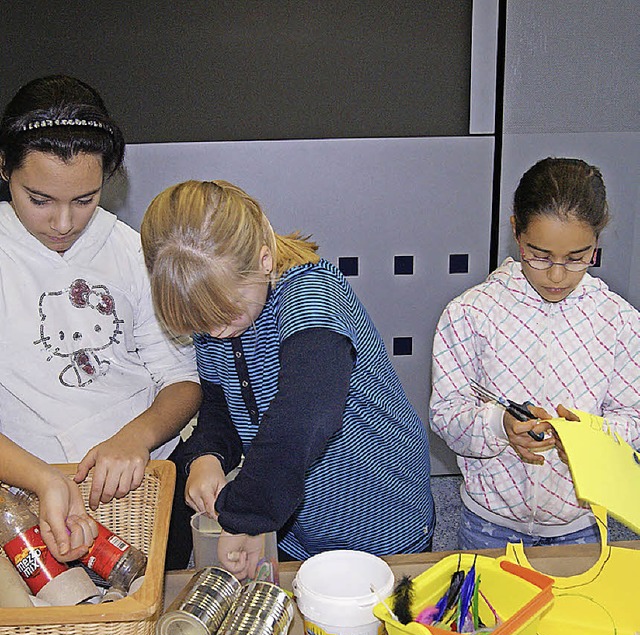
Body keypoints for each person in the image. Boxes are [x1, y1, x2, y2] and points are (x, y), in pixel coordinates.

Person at [141, 179, 434, 576]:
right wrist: (206, 455)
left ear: (264, 261)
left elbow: (305, 416)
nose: (216, 333)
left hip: (381, 519)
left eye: (225, 315)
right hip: (297, 526)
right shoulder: (218, 312)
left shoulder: (311, 295)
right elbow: (220, 405)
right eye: (200, 323)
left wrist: (244, 517)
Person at [0, 75, 201, 565]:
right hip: (22, 496)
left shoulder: (131, 250)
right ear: (4, 168)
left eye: (85, 199)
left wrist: (136, 437)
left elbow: (183, 381)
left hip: (145, 490)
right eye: (40, 200)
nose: (63, 223)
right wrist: (44, 477)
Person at [430, 157, 640, 550]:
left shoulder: (620, 321)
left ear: (597, 241)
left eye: (577, 257)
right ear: (516, 232)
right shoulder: (471, 314)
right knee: (488, 613)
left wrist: (587, 437)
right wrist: (499, 425)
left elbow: (634, 419)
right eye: (539, 255)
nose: (557, 274)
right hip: (488, 522)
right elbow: (445, 415)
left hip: (579, 523)